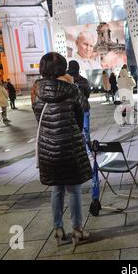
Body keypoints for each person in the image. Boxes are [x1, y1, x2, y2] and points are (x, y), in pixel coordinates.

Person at [32, 52, 91, 245]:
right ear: (63, 68)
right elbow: (83, 110)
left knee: (57, 189)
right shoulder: (70, 89)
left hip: (48, 147)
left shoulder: (36, 89)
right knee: (73, 189)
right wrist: (72, 84)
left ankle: (58, 230)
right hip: (69, 145)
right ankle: (77, 230)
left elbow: (38, 117)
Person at [67, 60, 92, 148]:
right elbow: (87, 95)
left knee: (77, 131)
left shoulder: (67, 81)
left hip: (75, 110)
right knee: (85, 130)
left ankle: (85, 147)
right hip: (83, 108)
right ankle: (88, 148)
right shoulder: (83, 80)